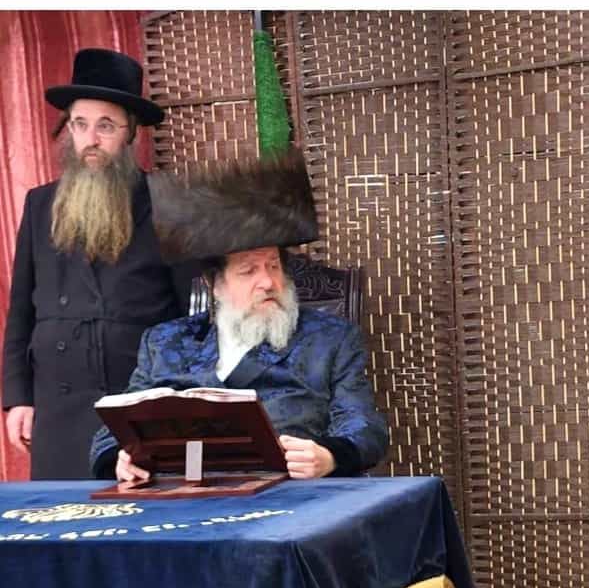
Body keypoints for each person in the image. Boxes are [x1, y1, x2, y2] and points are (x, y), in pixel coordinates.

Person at [89, 149, 389, 482]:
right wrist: (120, 460)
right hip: (182, 498)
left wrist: (330, 456)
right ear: (215, 284)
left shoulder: (329, 339)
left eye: (273, 266)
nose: (268, 282)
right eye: (248, 271)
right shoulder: (164, 342)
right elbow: (109, 434)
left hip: (288, 497)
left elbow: (365, 426)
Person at [3, 48, 196, 479]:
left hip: (138, 404)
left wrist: (179, 403)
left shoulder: (169, 203)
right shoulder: (40, 204)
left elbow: (193, 317)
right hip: (58, 409)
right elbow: (21, 311)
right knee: (63, 516)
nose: (90, 139)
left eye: (105, 126)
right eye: (80, 123)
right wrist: (18, 398)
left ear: (130, 133)